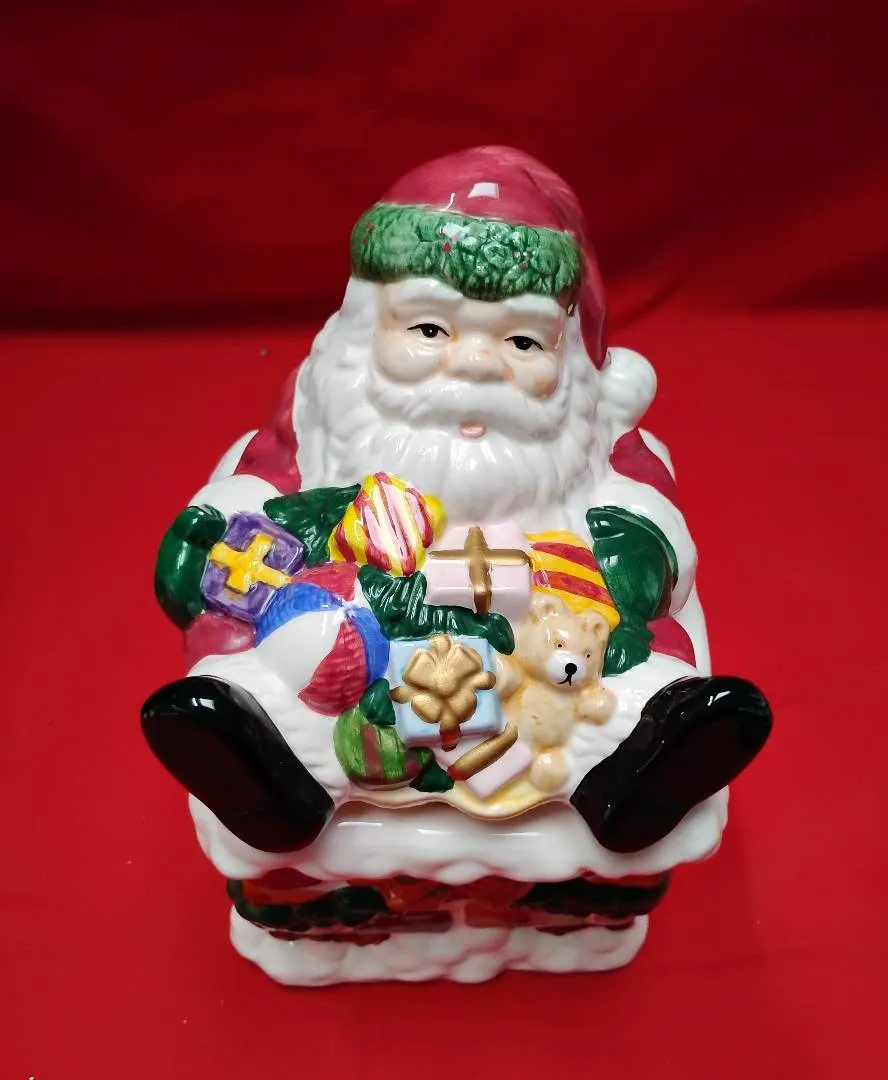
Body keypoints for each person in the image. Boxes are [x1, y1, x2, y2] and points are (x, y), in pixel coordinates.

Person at [143, 145, 771, 865]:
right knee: (280, 668)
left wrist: (627, 559)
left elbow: (645, 525)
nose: (474, 365)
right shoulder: (324, 424)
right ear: (366, 332)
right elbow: (258, 495)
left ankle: (639, 764)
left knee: (623, 675)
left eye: (522, 340)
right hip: (348, 632)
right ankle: (267, 771)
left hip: (547, 645)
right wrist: (227, 540)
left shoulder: (590, 444)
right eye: (429, 330)